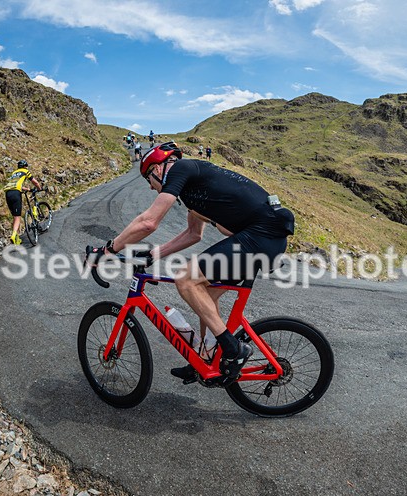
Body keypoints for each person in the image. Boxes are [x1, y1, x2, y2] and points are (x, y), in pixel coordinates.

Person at [87, 142, 295, 386]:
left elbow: (148, 222)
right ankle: (206, 358)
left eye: (148, 180)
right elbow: (193, 234)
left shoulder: (181, 169)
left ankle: (233, 350)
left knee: (185, 278)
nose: (152, 189)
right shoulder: (193, 190)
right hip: (263, 237)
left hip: (261, 236)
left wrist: (107, 250)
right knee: (204, 293)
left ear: (158, 168)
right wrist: (154, 255)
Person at [3, 159, 42, 245]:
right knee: (17, 217)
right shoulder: (25, 171)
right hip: (16, 193)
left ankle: (16, 238)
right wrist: (39, 188)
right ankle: (13, 235)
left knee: (14, 216)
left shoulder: (14, 173)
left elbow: (16, 184)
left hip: (8, 193)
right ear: (25, 166)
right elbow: (35, 182)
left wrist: (27, 189)